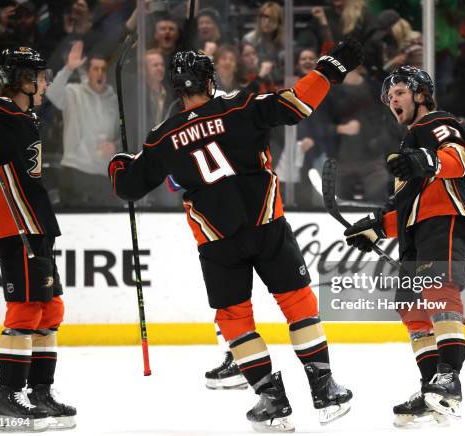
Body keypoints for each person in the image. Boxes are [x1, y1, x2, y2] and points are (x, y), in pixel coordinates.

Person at [108, 40, 364, 431]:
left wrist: (120, 163)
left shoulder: (162, 136)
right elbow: (297, 104)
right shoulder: (239, 106)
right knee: (297, 302)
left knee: (234, 318)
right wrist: (330, 68)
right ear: (208, 81)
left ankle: (271, 398)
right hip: (265, 223)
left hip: (217, 240)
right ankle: (323, 388)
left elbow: (127, 187)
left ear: (178, 88)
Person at [343, 65, 465, 425]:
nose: (393, 100)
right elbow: (406, 207)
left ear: (421, 94)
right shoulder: (408, 147)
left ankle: (449, 379)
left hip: (447, 218)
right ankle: (431, 388)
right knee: (410, 307)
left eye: (400, 92)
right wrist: (376, 228)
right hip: (417, 231)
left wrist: (430, 159)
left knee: (438, 291)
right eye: (390, 97)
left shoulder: (437, 123)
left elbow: (460, 160)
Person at [0, 47, 76, 431]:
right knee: (26, 308)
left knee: (51, 308)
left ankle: (40, 391)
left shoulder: (27, 115)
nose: (45, 81)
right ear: (24, 79)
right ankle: (8, 395)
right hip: (13, 225)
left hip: (36, 223)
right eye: (40, 76)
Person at [45, 41, 120, 208]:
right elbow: (51, 93)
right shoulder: (73, 92)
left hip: (103, 173)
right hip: (75, 171)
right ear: (88, 73)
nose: (100, 73)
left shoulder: (114, 100)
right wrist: (68, 69)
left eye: (103, 70)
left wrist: (114, 146)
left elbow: (118, 134)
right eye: (95, 69)